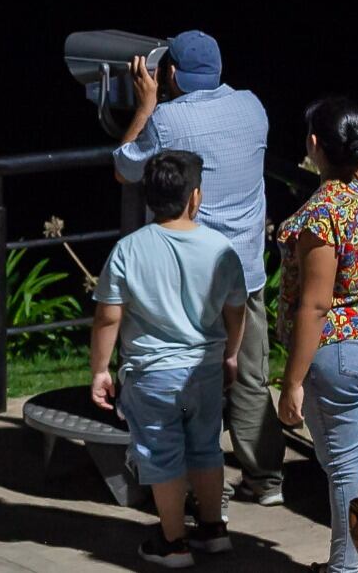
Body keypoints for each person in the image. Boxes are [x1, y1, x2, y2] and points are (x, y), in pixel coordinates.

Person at [114, 30, 283, 507]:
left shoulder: (166, 120)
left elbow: (124, 168)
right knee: (249, 376)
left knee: (183, 378)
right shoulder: (253, 107)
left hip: (186, 279)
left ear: (169, 74)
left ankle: (189, 485)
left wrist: (145, 104)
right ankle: (265, 478)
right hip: (244, 270)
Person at [91, 150, 248, 568]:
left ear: (148, 196)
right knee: (205, 448)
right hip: (204, 370)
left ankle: (173, 541)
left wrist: (100, 370)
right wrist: (230, 354)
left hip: (151, 374)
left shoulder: (128, 250)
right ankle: (213, 530)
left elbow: (108, 316)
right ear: (194, 197)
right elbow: (236, 310)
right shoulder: (221, 249)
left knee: (161, 455)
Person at [277, 97, 358, 573]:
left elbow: (315, 303)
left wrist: (292, 382)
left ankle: (345, 568)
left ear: (314, 145)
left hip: (342, 353)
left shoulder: (322, 212)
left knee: (347, 472)